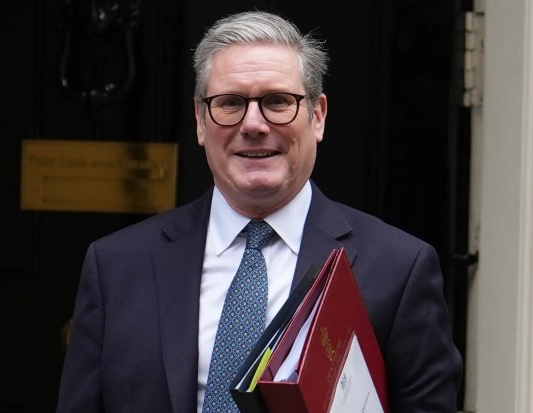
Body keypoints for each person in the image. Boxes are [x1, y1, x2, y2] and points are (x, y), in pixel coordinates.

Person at [56, 10, 462, 413]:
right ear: (200, 120)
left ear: (317, 116)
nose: (253, 124)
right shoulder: (117, 266)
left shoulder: (398, 268)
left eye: (277, 101)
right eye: (230, 103)